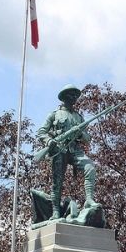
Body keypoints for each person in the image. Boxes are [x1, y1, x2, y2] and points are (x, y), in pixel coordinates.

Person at [36, 84, 100, 220]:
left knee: (90, 168)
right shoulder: (54, 114)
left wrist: (80, 132)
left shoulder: (79, 117)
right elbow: (41, 132)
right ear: (64, 97)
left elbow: (87, 140)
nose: (74, 98)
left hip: (74, 150)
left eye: (75, 96)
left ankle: (89, 200)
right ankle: (56, 212)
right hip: (60, 149)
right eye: (71, 95)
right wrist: (49, 141)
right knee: (57, 182)